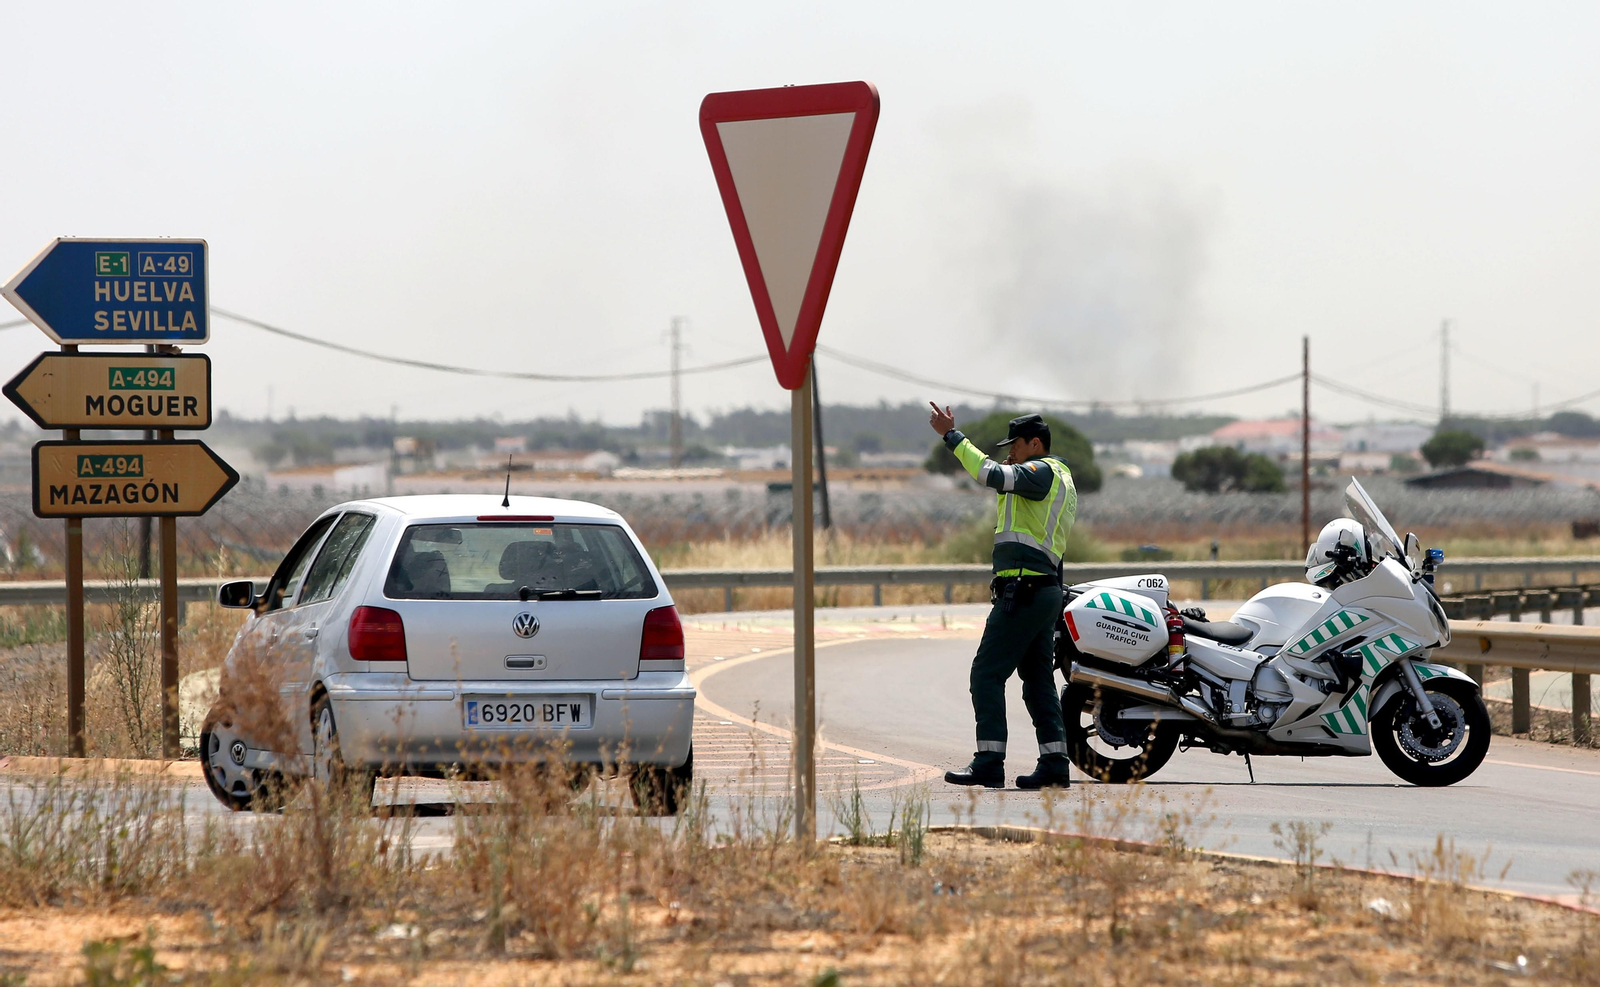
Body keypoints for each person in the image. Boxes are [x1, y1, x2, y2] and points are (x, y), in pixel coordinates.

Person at [928, 405, 1078, 790]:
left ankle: (989, 762)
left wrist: (952, 436)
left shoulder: (1042, 472)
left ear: (1036, 443)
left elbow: (989, 474)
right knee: (1037, 680)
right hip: (1042, 590)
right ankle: (1055, 763)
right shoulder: (1051, 478)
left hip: (1026, 591)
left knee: (986, 673)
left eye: (1016, 445)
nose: (1010, 452)